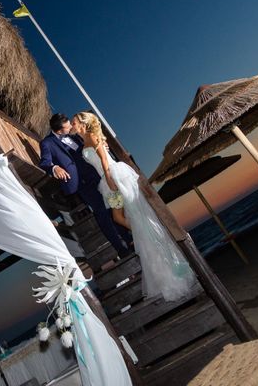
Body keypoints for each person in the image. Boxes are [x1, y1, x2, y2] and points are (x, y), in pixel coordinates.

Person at [71, 111, 198, 302]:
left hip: (114, 177)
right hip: (108, 181)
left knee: (129, 215)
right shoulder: (85, 140)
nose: (71, 125)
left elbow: (104, 159)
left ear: (82, 123)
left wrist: (109, 178)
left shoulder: (91, 136)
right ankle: (145, 232)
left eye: (73, 122)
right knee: (120, 218)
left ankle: (149, 235)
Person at [39, 113, 132, 257]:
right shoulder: (47, 143)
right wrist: (54, 168)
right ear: (58, 131)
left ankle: (129, 239)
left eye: (70, 123)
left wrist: (101, 143)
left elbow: (90, 143)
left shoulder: (74, 134)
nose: (71, 126)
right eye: (67, 126)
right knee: (102, 213)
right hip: (82, 185)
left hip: (98, 176)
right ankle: (121, 248)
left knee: (114, 208)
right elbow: (45, 162)